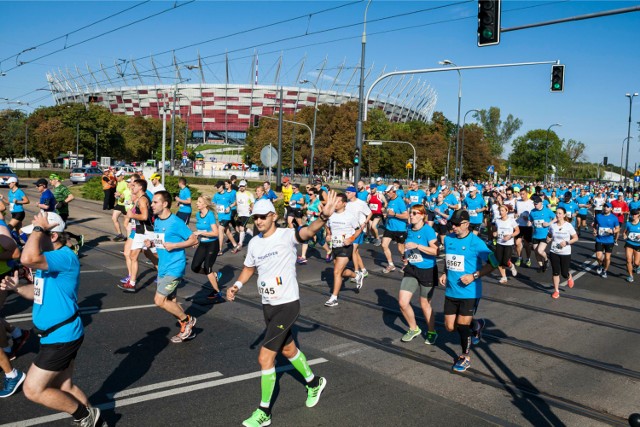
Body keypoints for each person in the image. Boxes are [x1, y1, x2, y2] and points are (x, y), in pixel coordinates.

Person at [226, 196, 332, 427]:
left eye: (263, 216)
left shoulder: (286, 235)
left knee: (265, 358)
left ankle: (264, 412)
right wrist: (237, 285)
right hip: (268, 305)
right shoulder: (254, 243)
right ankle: (314, 383)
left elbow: (307, 231)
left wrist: (323, 217)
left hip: (287, 304)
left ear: (274, 216)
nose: (259, 221)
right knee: (288, 349)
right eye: (256, 217)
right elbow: (248, 268)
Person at [1, 211, 104, 425]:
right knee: (65, 387)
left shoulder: (64, 257)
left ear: (53, 236)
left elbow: (25, 258)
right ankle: (94, 423)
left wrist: (39, 229)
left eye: (37, 235)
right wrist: (18, 288)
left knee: (33, 389)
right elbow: (37, 293)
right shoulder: (48, 261)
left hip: (61, 338)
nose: (32, 240)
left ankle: (86, 416)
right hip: (57, 335)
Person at [439, 210, 498, 373]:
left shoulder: (476, 242)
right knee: (450, 327)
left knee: (462, 325)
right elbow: (448, 258)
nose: (454, 227)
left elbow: (494, 262)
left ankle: (465, 357)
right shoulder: (449, 239)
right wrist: (444, 272)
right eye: (452, 224)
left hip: (470, 292)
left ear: (466, 224)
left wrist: (474, 276)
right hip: (451, 290)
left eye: (457, 224)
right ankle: (477, 325)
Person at [146, 191, 198, 343]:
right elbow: (161, 241)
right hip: (163, 266)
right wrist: (151, 243)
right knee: (172, 301)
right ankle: (188, 330)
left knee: (159, 300)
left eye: (155, 202)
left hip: (175, 267)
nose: (152, 205)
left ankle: (187, 320)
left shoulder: (175, 222)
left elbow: (193, 239)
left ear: (165, 204)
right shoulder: (157, 221)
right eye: (152, 202)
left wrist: (175, 245)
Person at [398, 204, 439, 345]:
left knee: (425, 305)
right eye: (411, 213)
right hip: (411, 268)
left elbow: (435, 251)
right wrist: (406, 256)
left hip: (427, 271)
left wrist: (418, 246)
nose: (411, 215)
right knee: (403, 303)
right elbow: (407, 246)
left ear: (422, 215)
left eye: (415, 213)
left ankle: (432, 331)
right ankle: (414, 328)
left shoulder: (428, 231)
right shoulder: (409, 228)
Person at [324, 193, 363, 307]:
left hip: (346, 248)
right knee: (341, 271)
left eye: (338, 202)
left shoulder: (350, 216)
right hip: (334, 246)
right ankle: (356, 276)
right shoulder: (330, 215)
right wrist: (328, 235)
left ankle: (334, 298)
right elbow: (327, 227)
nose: (336, 204)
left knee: (336, 272)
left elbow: (358, 230)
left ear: (344, 203)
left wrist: (351, 239)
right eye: (335, 201)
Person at [118, 179, 157, 292]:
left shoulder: (143, 199)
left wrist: (132, 215)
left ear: (140, 187)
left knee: (154, 255)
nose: (132, 187)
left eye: (134, 185)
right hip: (140, 231)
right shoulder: (138, 199)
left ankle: (166, 273)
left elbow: (144, 217)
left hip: (147, 231)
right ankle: (132, 283)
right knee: (133, 256)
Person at [191, 196, 223, 303]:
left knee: (207, 267)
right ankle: (214, 275)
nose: (197, 203)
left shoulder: (210, 215)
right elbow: (199, 229)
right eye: (197, 201)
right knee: (195, 267)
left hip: (212, 244)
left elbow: (215, 233)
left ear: (205, 204)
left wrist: (200, 233)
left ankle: (217, 292)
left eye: (199, 202)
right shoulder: (198, 215)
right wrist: (195, 238)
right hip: (203, 244)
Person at [547, 206, 578, 299]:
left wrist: (567, 242)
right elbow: (549, 235)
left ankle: (569, 277)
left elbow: (576, 238)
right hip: (554, 251)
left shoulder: (568, 226)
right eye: (557, 213)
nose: (558, 215)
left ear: (564, 215)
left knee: (564, 273)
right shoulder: (553, 225)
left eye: (560, 213)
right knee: (555, 272)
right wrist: (548, 239)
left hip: (565, 252)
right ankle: (556, 291)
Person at [49, 174, 84, 252]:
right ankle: (77, 238)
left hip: (63, 212)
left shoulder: (62, 188)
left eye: (51, 179)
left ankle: (73, 248)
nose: (50, 181)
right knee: (58, 231)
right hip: (57, 212)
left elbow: (71, 196)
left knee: (59, 231)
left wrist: (63, 203)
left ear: (56, 179)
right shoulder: (55, 188)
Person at [298, 188, 331, 264]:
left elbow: (322, 214)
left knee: (321, 241)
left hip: (317, 224)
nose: (309, 196)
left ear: (315, 194)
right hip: (309, 224)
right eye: (308, 194)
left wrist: (313, 213)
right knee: (305, 239)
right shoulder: (309, 201)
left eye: (310, 194)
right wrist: (302, 208)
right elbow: (305, 207)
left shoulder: (318, 203)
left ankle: (329, 251)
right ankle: (303, 257)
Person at [345, 186, 372, 279]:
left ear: (353, 193)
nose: (346, 194)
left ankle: (356, 272)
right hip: (350, 230)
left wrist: (364, 223)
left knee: (353, 249)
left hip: (359, 230)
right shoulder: (347, 204)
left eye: (348, 192)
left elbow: (370, 213)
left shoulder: (361, 203)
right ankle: (364, 270)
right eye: (346, 192)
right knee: (355, 252)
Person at [381, 186, 408, 273]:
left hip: (399, 228)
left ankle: (406, 264)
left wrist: (395, 214)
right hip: (389, 227)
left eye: (388, 192)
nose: (387, 194)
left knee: (401, 249)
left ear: (393, 192)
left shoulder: (400, 201)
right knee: (384, 245)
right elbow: (390, 212)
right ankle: (391, 264)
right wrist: (386, 214)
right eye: (386, 192)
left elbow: (406, 215)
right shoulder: (389, 201)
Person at [492, 205, 519, 283]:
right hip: (499, 242)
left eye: (502, 210)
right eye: (500, 210)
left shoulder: (511, 220)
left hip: (508, 243)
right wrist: (495, 233)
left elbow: (517, 231)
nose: (501, 212)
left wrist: (510, 236)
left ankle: (512, 266)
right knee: (499, 261)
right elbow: (496, 231)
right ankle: (504, 277)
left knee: (506, 261)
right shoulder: (497, 220)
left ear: (507, 211)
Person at [529, 195, 556, 272]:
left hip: (545, 235)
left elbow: (555, 218)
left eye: (536, 204)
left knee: (540, 251)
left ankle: (546, 259)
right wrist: (529, 222)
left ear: (541, 203)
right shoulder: (532, 211)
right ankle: (541, 266)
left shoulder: (547, 211)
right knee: (536, 252)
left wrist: (548, 223)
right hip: (535, 235)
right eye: (534, 204)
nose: (535, 205)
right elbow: (530, 220)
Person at [593, 202, 620, 279]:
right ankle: (600, 265)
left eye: (607, 207)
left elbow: (618, 229)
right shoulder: (598, 216)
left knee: (607, 258)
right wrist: (594, 231)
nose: (605, 208)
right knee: (598, 257)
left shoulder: (614, 218)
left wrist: (612, 231)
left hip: (609, 240)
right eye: (604, 206)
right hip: (599, 239)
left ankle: (605, 270)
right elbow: (595, 225)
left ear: (611, 209)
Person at [213, 181, 239, 255]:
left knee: (220, 229)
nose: (217, 188)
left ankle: (220, 249)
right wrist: (215, 205)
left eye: (218, 187)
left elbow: (234, 202)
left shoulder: (228, 194)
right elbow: (213, 202)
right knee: (227, 232)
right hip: (220, 216)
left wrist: (229, 207)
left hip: (227, 216)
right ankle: (235, 245)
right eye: (216, 187)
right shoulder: (216, 195)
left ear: (222, 186)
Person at [514, 188, 534, 267]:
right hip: (519, 225)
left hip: (527, 226)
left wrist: (529, 219)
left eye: (523, 194)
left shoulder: (531, 203)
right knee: (517, 243)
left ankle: (528, 258)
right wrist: (515, 215)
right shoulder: (518, 202)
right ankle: (520, 257)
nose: (522, 196)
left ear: (527, 194)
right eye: (520, 194)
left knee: (527, 244)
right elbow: (516, 211)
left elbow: (534, 215)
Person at [235, 180, 255, 247]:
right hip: (239, 213)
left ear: (246, 186)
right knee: (240, 228)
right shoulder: (237, 193)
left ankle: (240, 243)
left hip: (246, 213)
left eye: (243, 186)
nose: (242, 187)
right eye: (241, 186)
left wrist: (251, 207)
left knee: (241, 228)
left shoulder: (249, 194)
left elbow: (252, 202)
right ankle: (254, 235)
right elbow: (236, 202)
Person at [111, 170, 130, 241]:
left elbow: (128, 194)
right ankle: (120, 234)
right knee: (114, 218)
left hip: (125, 205)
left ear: (122, 176)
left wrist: (120, 195)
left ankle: (130, 236)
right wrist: (117, 195)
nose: (117, 177)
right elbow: (118, 192)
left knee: (127, 223)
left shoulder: (125, 183)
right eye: (116, 176)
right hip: (119, 203)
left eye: (118, 176)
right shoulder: (118, 183)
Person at [623, 209, 640, 283]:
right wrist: (624, 235)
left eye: (635, 214)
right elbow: (624, 232)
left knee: (636, 262)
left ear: (638, 215)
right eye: (632, 214)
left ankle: (637, 266)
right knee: (628, 260)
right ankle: (630, 276)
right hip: (629, 243)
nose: (633, 216)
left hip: (638, 244)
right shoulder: (628, 223)